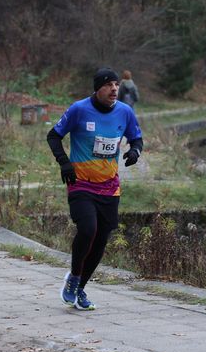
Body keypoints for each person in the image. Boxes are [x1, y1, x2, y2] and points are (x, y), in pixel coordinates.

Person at [46, 68, 143, 310]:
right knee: (88, 229)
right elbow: (53, 136)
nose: (114, 89)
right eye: (108, 85)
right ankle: (74, 278)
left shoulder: (125, 112)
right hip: (80, 183)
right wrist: (65, 163)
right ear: (97, 88)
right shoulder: (79, 109)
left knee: (100, 241)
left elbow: (137, 139)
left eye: (116, 85)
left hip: (109, 187)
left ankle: (80, 287)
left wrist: (134, 151)